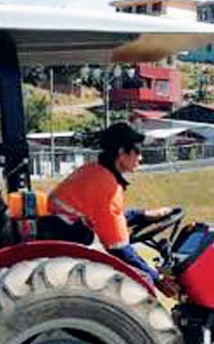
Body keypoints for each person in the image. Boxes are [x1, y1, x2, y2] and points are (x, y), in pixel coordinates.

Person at [49, 122, 180, 296]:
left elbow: (105, 215)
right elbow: (117, 246)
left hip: (61, 236)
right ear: (121, 152)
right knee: (141, 282)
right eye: (137, 151)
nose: (140, 158)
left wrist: (143, 216)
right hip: (66, 246)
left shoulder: (92, 171)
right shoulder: (106, 185)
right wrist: (157, 278)